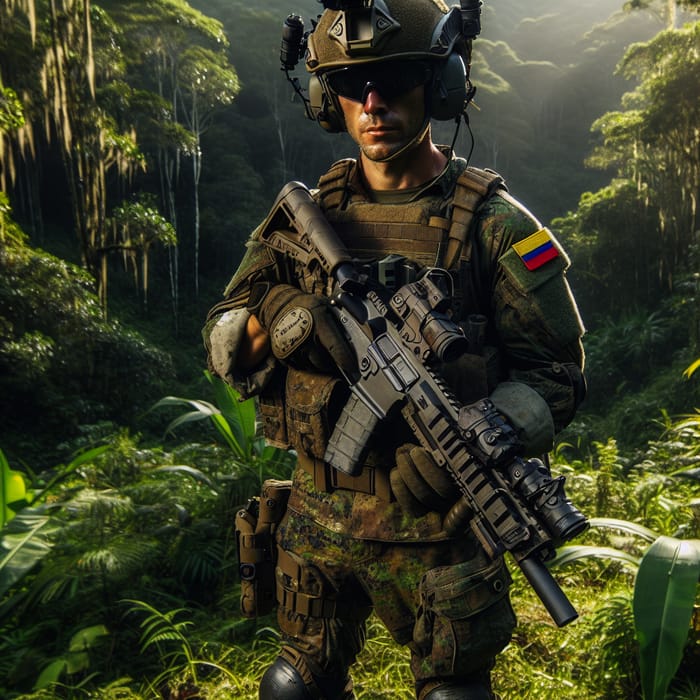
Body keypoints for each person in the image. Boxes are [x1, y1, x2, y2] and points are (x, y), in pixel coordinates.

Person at [203, 1, 587, 698]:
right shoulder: (309, 215)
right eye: (352, 87)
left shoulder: (495, 226)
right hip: (319, 518)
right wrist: (284, 311)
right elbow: (228, 344)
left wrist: (486, 433)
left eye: (396, 80)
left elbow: (557, 373)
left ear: (440, 86)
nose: (373, 103)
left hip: (441, 534)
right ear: (328, 99)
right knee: (293, 688)